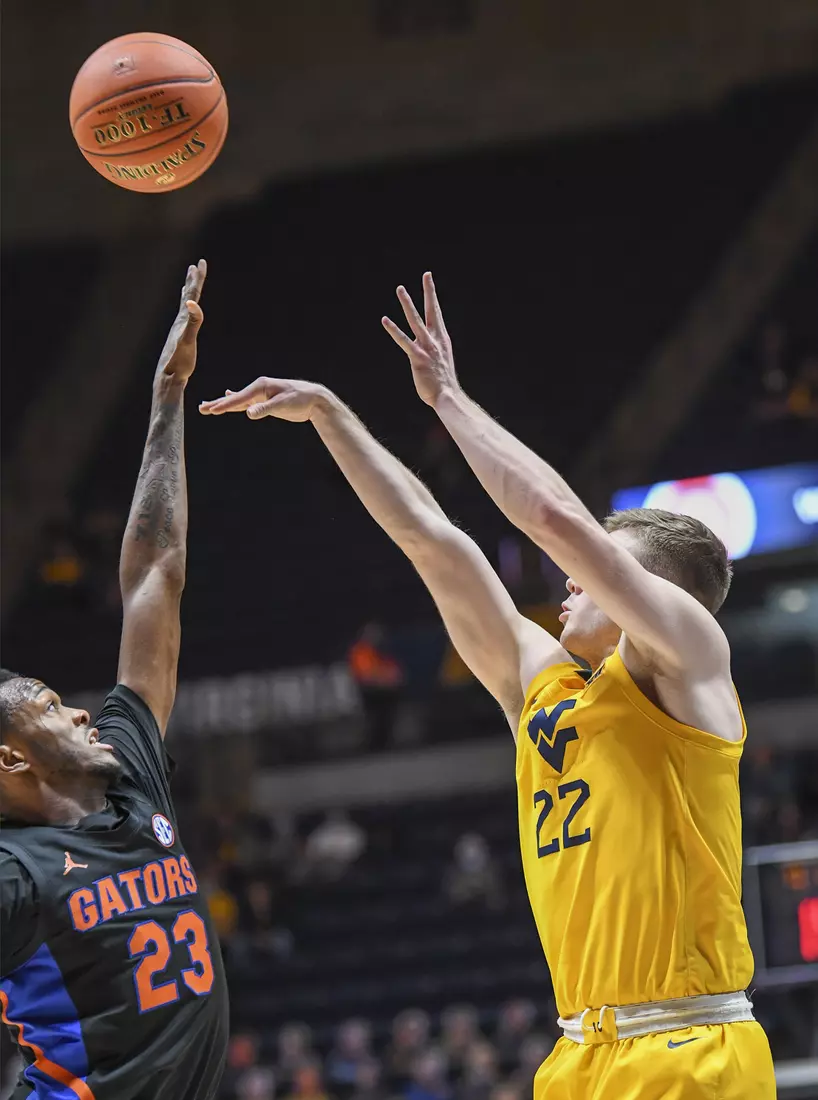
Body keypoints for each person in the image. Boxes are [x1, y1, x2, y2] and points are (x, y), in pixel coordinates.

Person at [198, 270, 775, 1099]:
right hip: (579, 1053)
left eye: (596, 576)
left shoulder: (693, 664)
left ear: (653, 593)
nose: (568, 586)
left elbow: (557, 521)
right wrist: (332, 416)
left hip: (690, 1045)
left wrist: (447, 400)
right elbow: (431, 541)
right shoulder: (544, 692)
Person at [0, 260, 229, 1100]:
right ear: (11, 761)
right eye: (52, 709)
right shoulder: (15, 875)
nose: (84, 711)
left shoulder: (131, 775)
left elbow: (154, 576)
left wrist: (167, 397)